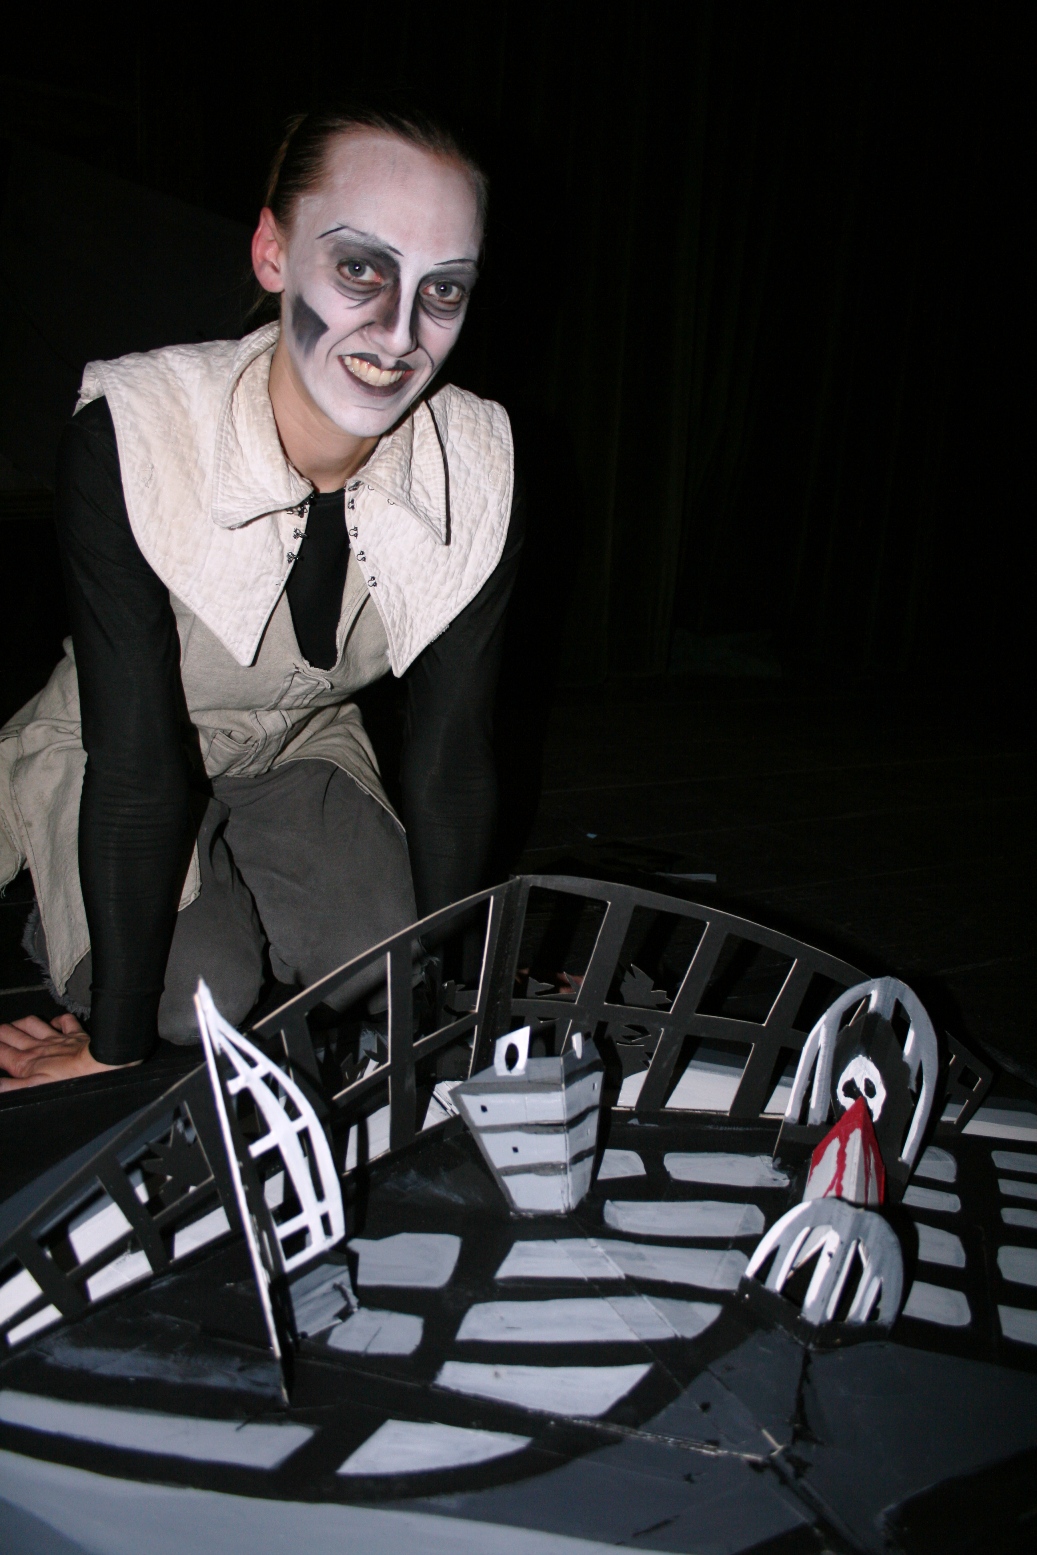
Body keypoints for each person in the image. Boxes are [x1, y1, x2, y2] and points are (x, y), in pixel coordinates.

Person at [0, 104, 522, 1091]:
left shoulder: (481, 462)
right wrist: (111, 1038)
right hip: (121, 750)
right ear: (272, 253)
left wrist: (448, 1003)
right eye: (360, 269)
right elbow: (137, 760)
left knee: (382, 973)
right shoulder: (133, 430)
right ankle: (61, 891)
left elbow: (454, 753)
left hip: (301, 748)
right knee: (196, 997)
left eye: (443, 289)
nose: (398, 335)